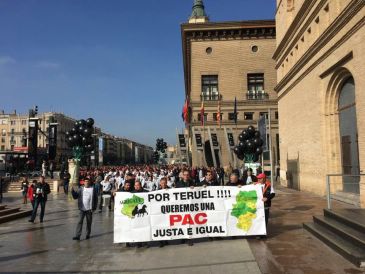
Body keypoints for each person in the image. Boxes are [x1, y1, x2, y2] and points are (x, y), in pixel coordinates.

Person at [175, 170, 195, 246]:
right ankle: (183, 237)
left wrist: (195, 188)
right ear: (182, 176)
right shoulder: (178, 184)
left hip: (190, 206)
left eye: (187, 175)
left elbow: (198, 190)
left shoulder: (192, 182)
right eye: (185, 175)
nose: (186, 176)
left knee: (189, 222)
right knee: (183, 222)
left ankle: (189, 238)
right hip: (182, 206)